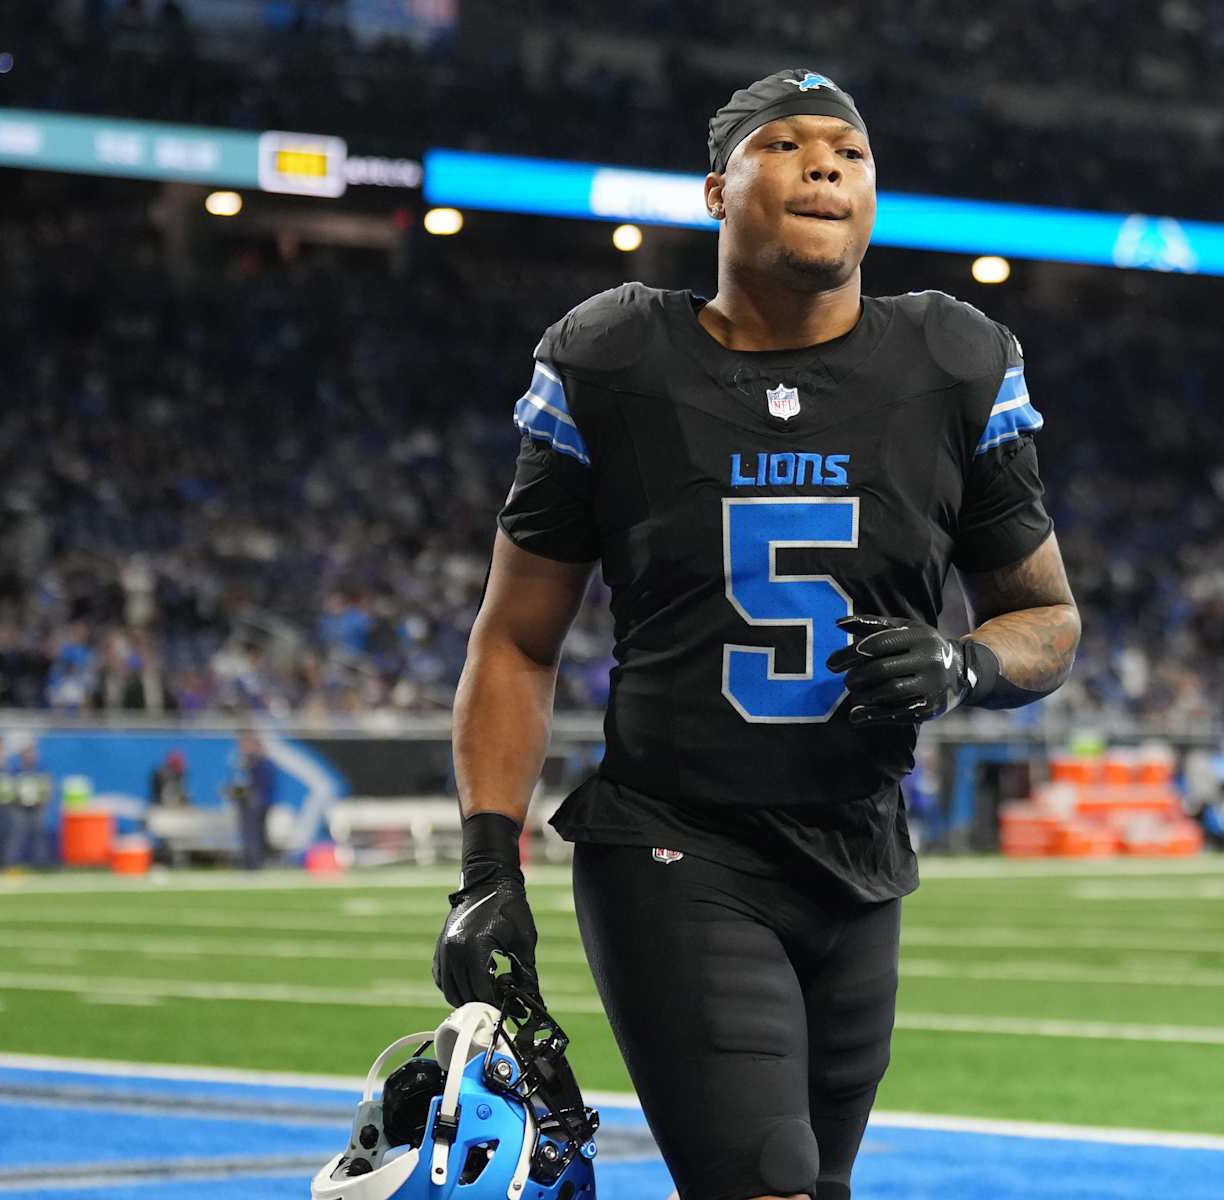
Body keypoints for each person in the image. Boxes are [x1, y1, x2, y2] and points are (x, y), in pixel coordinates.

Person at [433, 69, 1080, 1200]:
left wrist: (960, 663)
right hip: (677, 846)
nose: (824, 164)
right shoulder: (620, 360)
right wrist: (488, 867)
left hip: (859, 860)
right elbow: (518, 639)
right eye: (783, 144)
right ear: (716, 192)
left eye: (849, 149)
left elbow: (1047, 621)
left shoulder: (952, 363)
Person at [225, 731, 276, 868]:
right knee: (252, 833)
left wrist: (237, 791)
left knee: (252, 833)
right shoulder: (253, 761)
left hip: (255, 802)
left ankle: (253, 862)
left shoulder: (257, 761)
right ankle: (252, 861)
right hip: (254, 801)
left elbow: (253, 785)